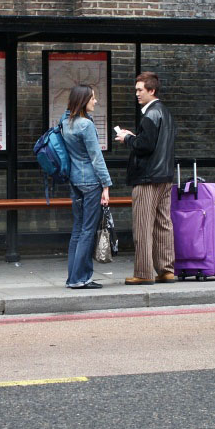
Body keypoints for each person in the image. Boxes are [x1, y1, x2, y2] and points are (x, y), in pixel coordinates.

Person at [115, 71, 177, 285]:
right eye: (136, 90)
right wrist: (136, 137)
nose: (137, 94)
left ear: (152, 90)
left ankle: (143, 273)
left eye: (140, 90)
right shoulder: (166, 113)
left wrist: (128, 138)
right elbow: (156, 143)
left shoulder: (150, 114)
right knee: (163, 224)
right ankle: (166, 270)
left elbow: (145, 146)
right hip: (165, 176)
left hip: (147, 178)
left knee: (143, 225)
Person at [60, 85, 112, 289]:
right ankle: (80, 278)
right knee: (88, 230)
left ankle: (72, 276)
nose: (95, 101)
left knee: (78, 230)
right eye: (92, 98)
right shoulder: (86, 125)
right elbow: (96, 157)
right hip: (90, 182)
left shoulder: (66, 123)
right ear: (83, 100)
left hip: (75, 181)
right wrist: (106, 185)